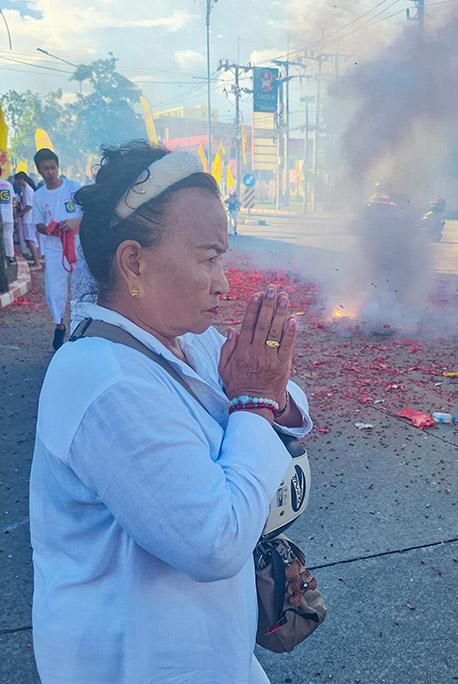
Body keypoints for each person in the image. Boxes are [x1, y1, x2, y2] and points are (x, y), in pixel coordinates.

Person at [30, 141, 312, 684]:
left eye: (222, 258)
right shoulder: (100, 379)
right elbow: (213, 541)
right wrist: (253, 403)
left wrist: (264, 392)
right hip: (133, 665)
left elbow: (288, 405)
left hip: (216, 654)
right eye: (208, 257)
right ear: (134, 261)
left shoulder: (191, 340)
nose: (224, 282)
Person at [32, 148, 81, 350]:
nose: (51, 172)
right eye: (46, 169)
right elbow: (38, 225)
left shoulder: (73, 188)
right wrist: (52, 229)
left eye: (53, 167)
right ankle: (59, 326)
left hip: (78, 246)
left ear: (58, 166)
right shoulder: (39, 196)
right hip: (54, 250)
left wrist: (75, 221)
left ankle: (80, 329)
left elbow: (88, 213)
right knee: (54, 291)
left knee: (81, 289)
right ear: (39, 170)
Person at [14, 171, 42, 270]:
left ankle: (37, 263)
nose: (18, 183)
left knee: (30, 239)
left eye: (18, 180)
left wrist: (20, 213)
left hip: (28, 218)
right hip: (28, 218)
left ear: (21, 179)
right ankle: (36, 259)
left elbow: (29, 205)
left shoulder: (28, 190)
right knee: (31, 239)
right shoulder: (25, 189)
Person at [0, 166, 15, 263]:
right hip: (8, 215)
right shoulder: (8, 184)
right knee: (8, 236)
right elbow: (13, 200)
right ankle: (10, 257)